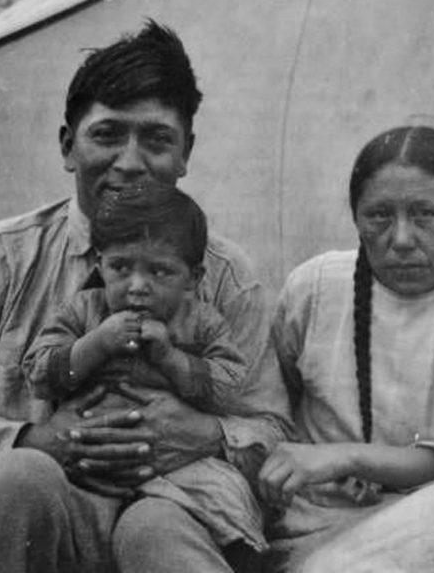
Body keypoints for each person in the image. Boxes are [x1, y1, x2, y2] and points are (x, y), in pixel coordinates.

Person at [0, 20, 291, 573]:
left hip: (179, 504)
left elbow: (273, 425)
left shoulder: (223, 276)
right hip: (43, 519)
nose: (129, 161)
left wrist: (203, 433)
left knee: (158, 531)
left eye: (156, 139)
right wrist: (30, 438)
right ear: (67, 145)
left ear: (185, 152)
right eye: (107, 135)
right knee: (16, 479)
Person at [259, 125, 434, 572]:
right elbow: (268, 410)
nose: (403, 238)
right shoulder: (314, 288)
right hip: (320, 533)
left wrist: (347, 457)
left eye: (425, 214)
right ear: (355, 216)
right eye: (379, 216)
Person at [23, 185, 268, 559]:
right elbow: (39, 374)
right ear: (100, 265)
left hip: (180, 470)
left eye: (160, 271)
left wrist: (172, 358)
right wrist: (96, 344)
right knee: (61, 514)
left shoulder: (202, 322)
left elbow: (229, 387)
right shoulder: (82, 311)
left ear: (193, 278)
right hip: (89, 469)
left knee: (221, 501)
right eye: (120, 267)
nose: (137, 287)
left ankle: (239, 557)